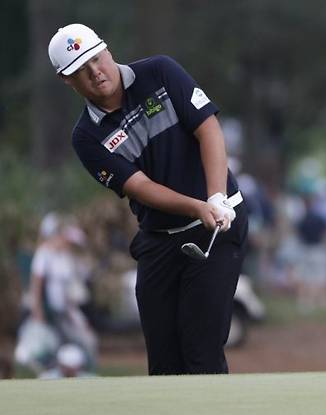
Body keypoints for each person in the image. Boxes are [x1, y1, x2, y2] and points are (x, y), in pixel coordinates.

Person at [48, 23, 248, 375]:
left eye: (96, 59)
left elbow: (209, 130)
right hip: (160, 239)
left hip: (217, 227)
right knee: (163, 363)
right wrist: (196, 206)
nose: (95, 72)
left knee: (201, 353)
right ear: (68, 80)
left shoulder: (160, 72)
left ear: (107, 50)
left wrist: (215, 197)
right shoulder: (87, 137)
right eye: (81, 70)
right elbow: (139, 187)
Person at [29, 213, 97, 371]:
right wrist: (37, 312)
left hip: (68, 309)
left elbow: (82, 276)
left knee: (87, 340)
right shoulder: (44, 253)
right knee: (54, 346)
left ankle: (85, 373)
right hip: (52, 310)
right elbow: (36, 285)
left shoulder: (67, 256)